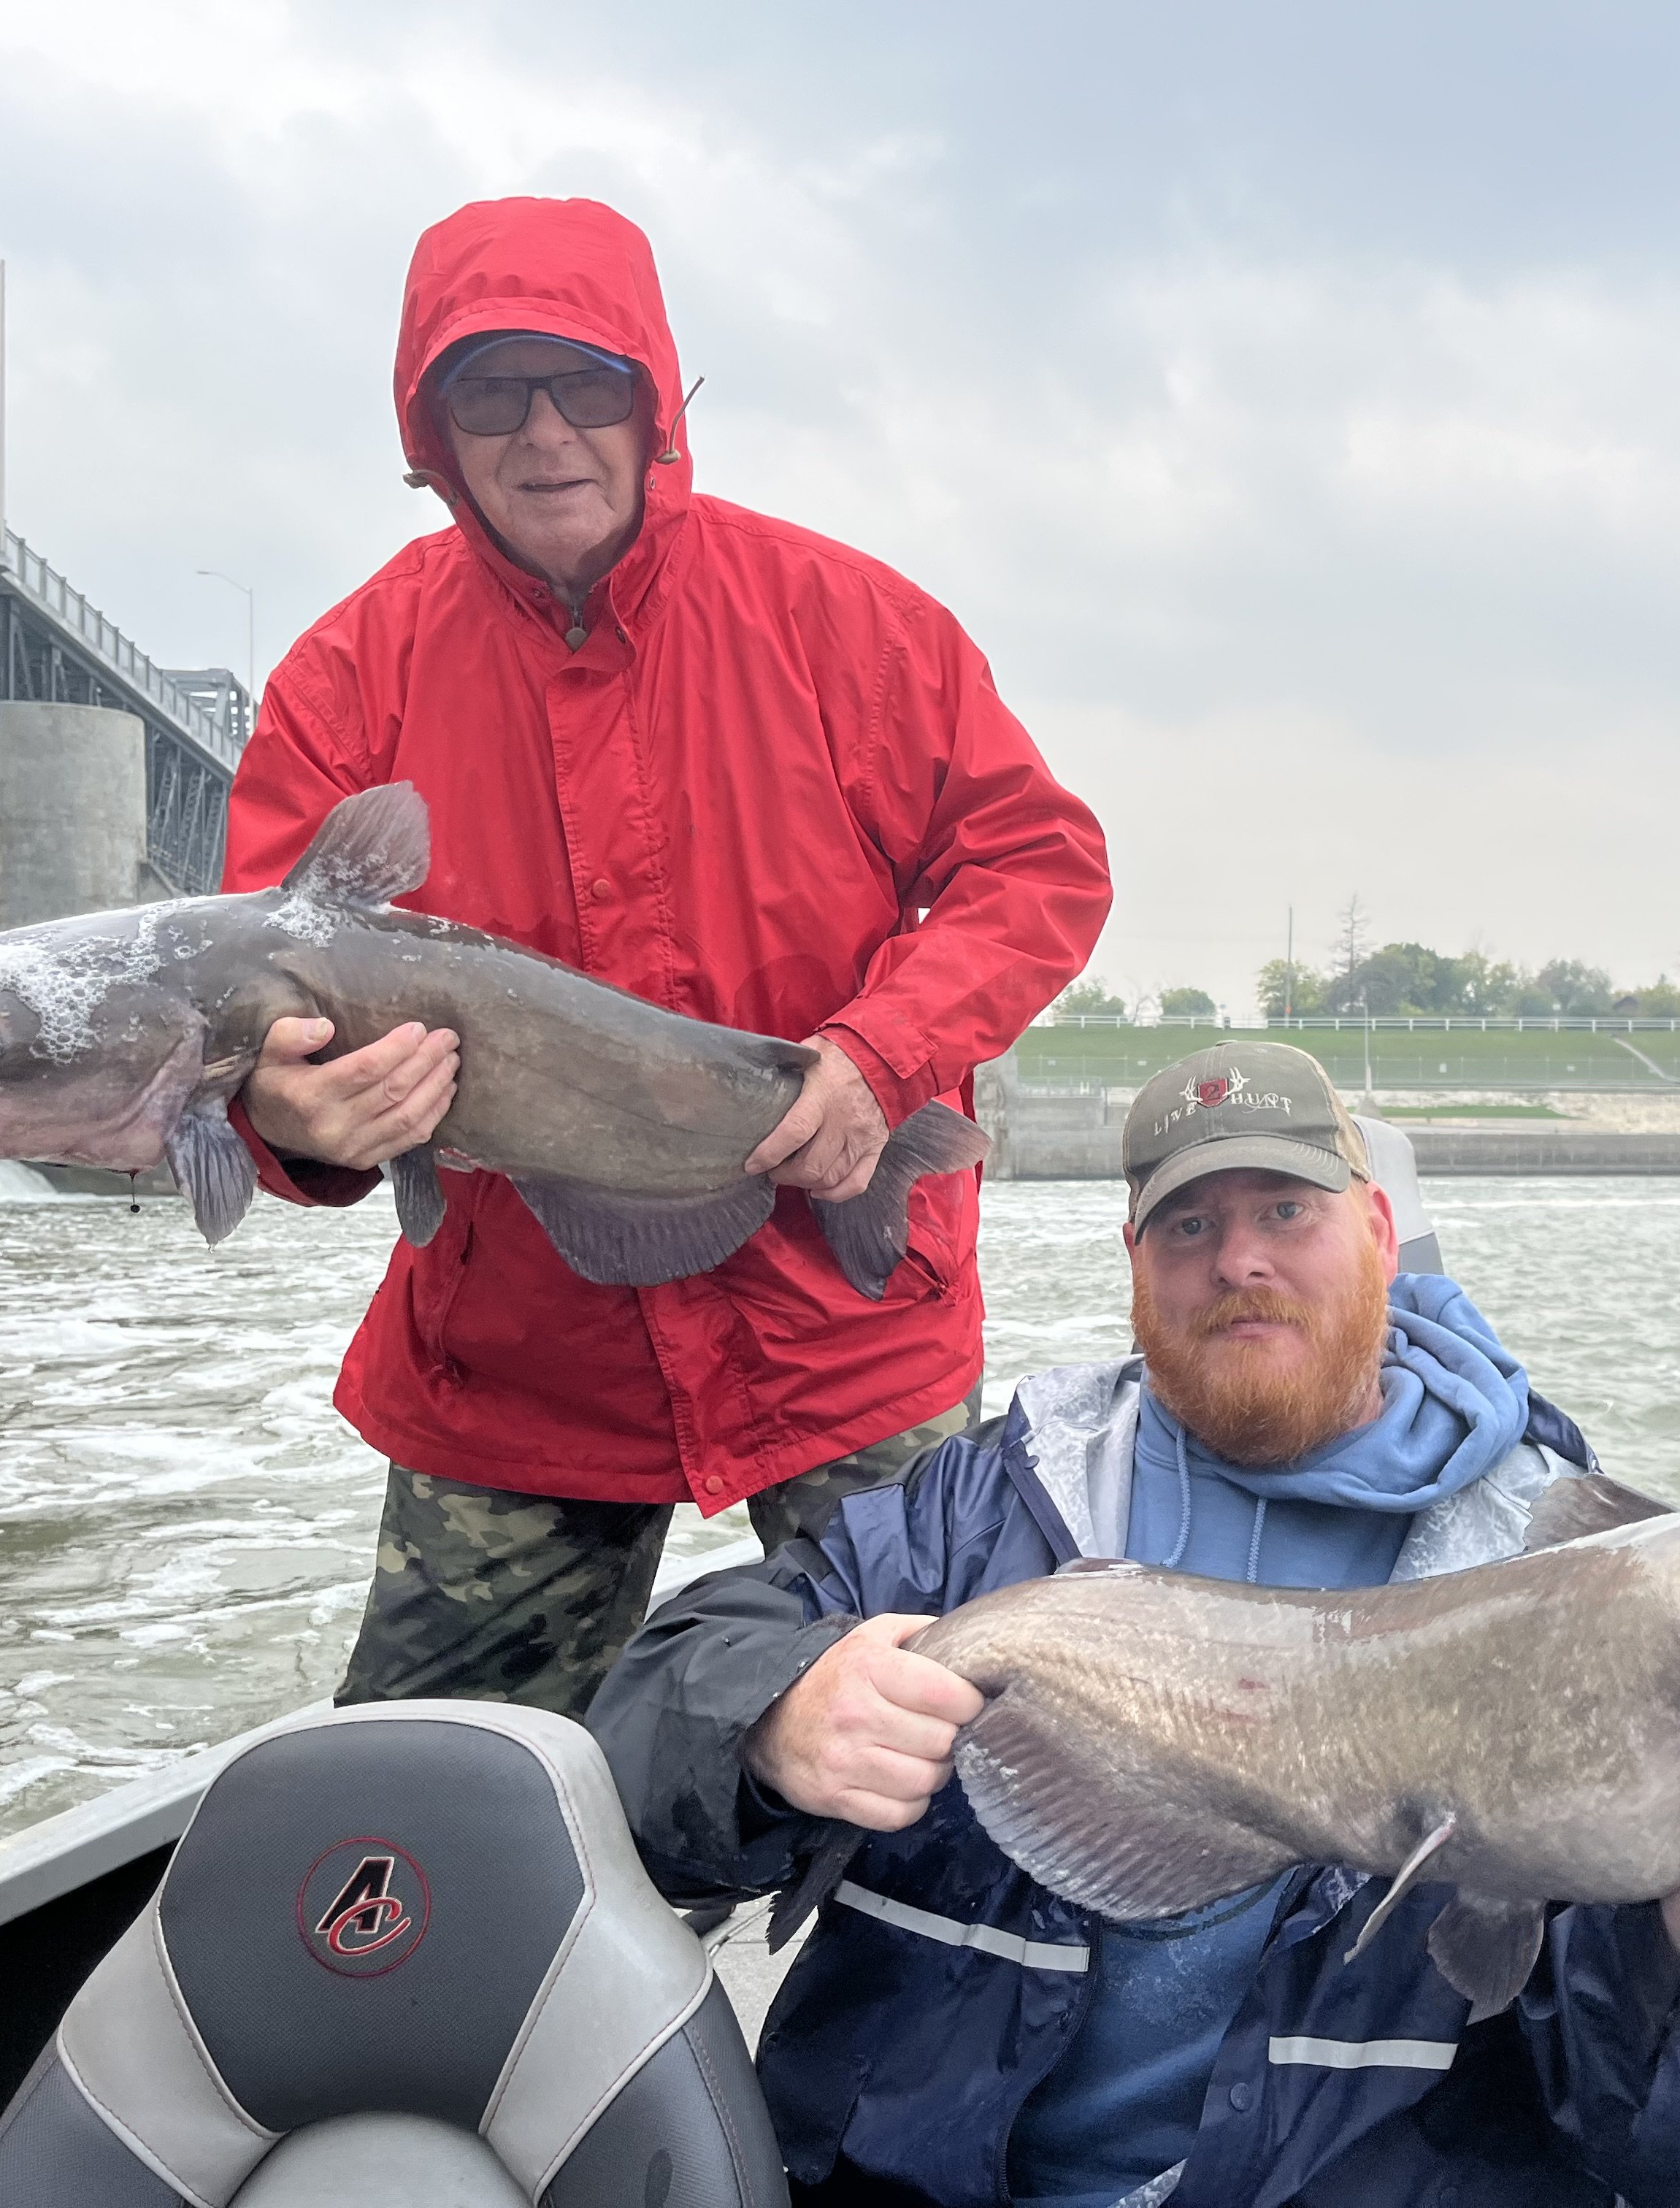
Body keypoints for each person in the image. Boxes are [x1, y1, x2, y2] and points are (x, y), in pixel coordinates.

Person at [590, 1042, 1680, 2208]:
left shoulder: (1606, 1576)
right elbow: (641, 1730)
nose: (1238, 1261)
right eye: (1190, 1225)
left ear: (1378, 1231)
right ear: (1134, 1260)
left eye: (1287, 1212)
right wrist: (771, 1713)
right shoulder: (975, 1512)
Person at [220, 196, 1111, 1712]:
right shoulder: (343, 682)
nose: (546, 433)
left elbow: (1037, 863)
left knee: (961, 1778)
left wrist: (878, 1055)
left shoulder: (850, 627)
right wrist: (291, 1124)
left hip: (843, 1321)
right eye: (490, 393)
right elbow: (253, 1001)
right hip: (517, 1369)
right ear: (429, 429)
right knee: (423, 1812)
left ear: (660, 398)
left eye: (588, 384)